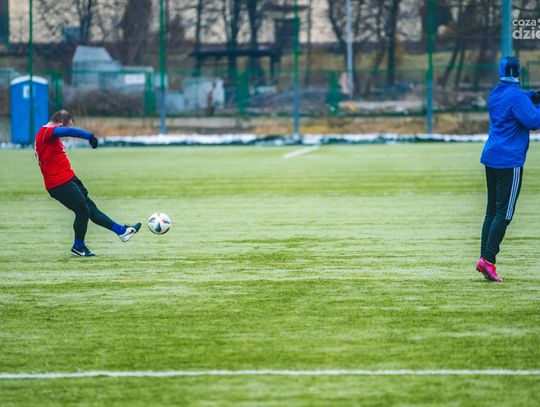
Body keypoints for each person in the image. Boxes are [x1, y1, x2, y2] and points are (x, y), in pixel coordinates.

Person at [34, 110, 141, 257]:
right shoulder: (46, 132)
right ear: (60, 123)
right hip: (59, 183)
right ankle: (78, 247)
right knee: (83, 211)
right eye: (68, 125)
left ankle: (122, 231)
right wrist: (90, 136)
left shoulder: (48, 135)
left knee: (91, 209)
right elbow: (67, 131)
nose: (67, 130)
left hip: (69, 179)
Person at [476, 56, 540, 282]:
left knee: (492, 212)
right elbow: (534, 121)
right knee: (505, 213)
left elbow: (517, 98)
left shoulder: (495, 93)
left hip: (491, 157)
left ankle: (483, 258)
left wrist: (533, 96)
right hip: (509, 161)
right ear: (518, 72)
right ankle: (488, 260)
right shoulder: (517, 97)